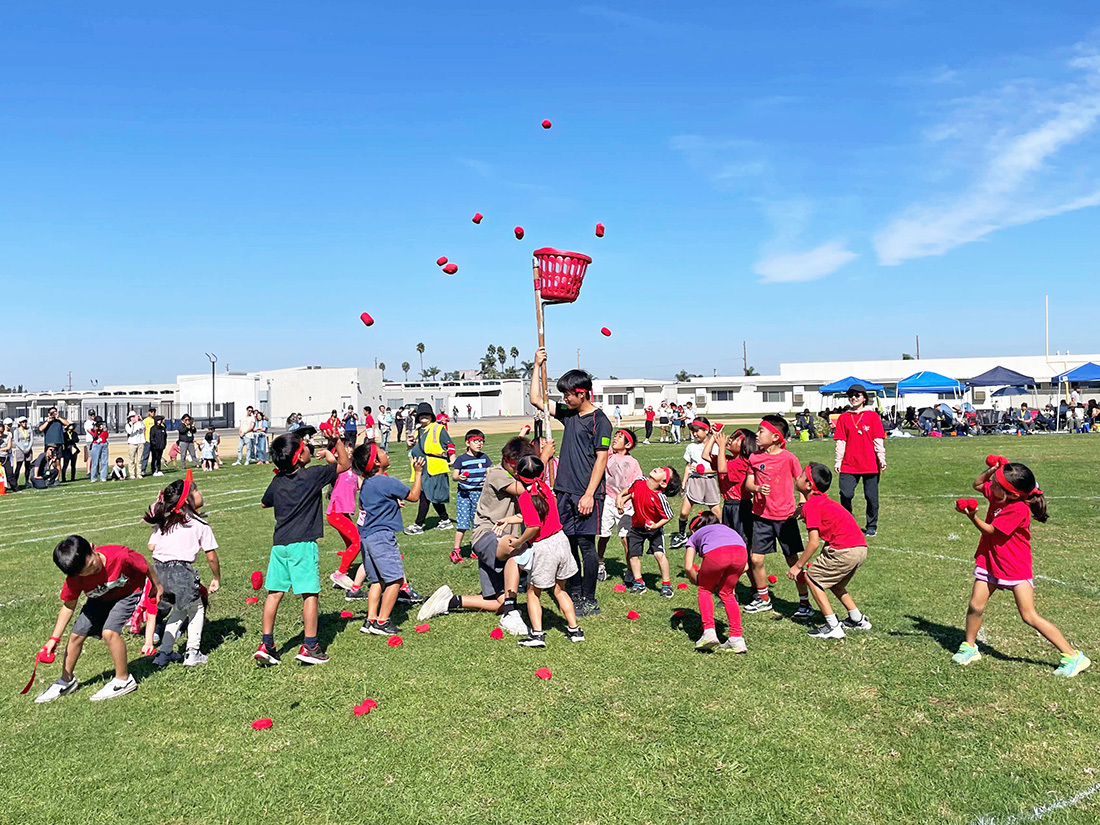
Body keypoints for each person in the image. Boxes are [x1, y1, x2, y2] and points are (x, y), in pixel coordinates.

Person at [951, 459, 1090, 677]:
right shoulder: (999, 494)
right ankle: (970, 647)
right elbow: (977, 484)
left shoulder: (1017, 509)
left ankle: (1073, 656)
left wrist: (972, 515)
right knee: (975, 606)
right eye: (994, 482)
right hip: (990, 560)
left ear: (1013, 494)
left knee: (1029, 615)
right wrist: (993, 470)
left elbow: (990, 531)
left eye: (996, 484)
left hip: (1014, 567)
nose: (991, 486)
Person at [416, 436, 540, 635]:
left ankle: (450, 601)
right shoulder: (497, 474)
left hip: (501, 540)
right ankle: (511, 612)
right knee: (516, 547)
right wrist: (542, 464)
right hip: (487, 536)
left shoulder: (512, 473)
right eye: (518, 466)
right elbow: (522, 489)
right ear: (507, 460)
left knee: (498, 602)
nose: (520, 471)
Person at [254, 429, 350, 667]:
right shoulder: (313, 475)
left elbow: (265, 503)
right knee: (309, 594)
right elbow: (345, 464)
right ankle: (310, 646)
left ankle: (266, 644)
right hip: (303, 544)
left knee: (274, 593)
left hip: (280, 545)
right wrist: (337, 441)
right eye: (304, 446)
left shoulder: (278, 480)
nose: (309, 447)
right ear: (299, 457)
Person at [530, 348, 612, 617]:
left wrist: (589, 495)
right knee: (568, 543)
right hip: (564, 490)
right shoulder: (569, 413)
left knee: (586, 545)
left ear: (582, 393)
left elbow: (601, 460)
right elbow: (536, 399)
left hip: (585, 493)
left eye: (568, 394)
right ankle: (573, 591)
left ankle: (589, 597)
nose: (564, 398)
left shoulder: (600, 422)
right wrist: (536, 365)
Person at [34, 535, 163, 703]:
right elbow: (68, 606)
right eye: (84, 572)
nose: (90, 572)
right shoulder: (75, 577)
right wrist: (54, 639)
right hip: (98, 598)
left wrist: (157, 586)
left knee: (109, 632)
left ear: (92, 547)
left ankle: (123, 680)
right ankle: (66, 681)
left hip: (127, 594)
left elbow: (145, 566)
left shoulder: (121, 556)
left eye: (91, 565)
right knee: (76, 636)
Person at [493, 455, 584, 647]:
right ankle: (575, 630)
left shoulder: (526, 496)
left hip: (544, 547)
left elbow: (533, 525)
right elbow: (537, 515)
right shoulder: (545, 489)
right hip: (561, 541)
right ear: (541, 473)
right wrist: (509, 519)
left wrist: (519, 541)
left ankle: (537, 635)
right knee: (560, 590)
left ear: (517, 474)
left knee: (533, 592)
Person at [143, 473, 221, 667]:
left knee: (179, 610)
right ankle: (193, 652)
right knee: (197, 609)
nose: (200, 492)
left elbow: (151, 546)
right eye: (196, 490)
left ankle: (165, 652)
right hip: (180, 571)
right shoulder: (199, 524)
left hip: (159, 572)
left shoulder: (164, 522)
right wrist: (216, 578)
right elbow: (211, 556)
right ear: (189, 498)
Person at [788, 463, 872, 640]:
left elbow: (813, 543)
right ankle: (857, 619)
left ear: (809, 485)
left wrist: (798, 566)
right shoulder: (821, 501)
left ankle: (832, 626)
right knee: (836, 583)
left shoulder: (812, 506)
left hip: (843, 550)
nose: (798, 477)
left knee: (812, 577)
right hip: (860, 548)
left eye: (802, 475)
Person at [742, 415, 812, 618]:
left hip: (785, 517)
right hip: (761, 516)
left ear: (775, 437)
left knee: (792, 559)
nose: (756, 434)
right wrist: (756, 488)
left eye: (761, 431)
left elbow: (801, 482)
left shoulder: (789, 458)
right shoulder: (754, 457)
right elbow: (748, 483)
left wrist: (802, 503)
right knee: (755, 559)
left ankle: (804, 601)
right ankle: (763, 599)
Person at [353, 443, 424, 636]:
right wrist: (417, 473)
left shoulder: (367, 483)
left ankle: (370, 619)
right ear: (376, 462)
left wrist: (392, 502)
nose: (387, 454)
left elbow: (368, 507)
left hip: (366, 536)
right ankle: (382, 622)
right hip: (382, 536)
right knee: (395, 579)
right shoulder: (386, 481)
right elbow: (415, 496)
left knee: (377, 581)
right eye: (382, 452)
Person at [683, 511, 748, 653]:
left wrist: (697, 581)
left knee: (705, 590)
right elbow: (746, 566)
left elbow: (688, 567)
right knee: (727, 593)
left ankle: (709, 632)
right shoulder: (727, 529)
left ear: (693, 530)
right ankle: (737, 639)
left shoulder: (694, 536)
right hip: (741, 553)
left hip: (717, 554)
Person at [616, 465, 681, 596]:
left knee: (659, 554)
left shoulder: (660, 497)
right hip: (636, 527)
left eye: (663, 472)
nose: (659, 468)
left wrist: (655, 526)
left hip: (653, 530)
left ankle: (666, 584)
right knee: (633, 555)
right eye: (661, 467)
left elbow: (668, 516)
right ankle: (639, 583)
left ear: (663, 483)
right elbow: (630, 491)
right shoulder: (639, 481)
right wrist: (620, 497)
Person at [833, 385, 886, 538]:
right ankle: (848, 520)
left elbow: (878, 439)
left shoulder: (872, 416)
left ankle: (871, 525)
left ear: (864, 397)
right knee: (846, 494)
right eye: (851, 395)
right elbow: (840, 441)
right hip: (849, 464)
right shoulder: (844, 417)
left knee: (871, 496)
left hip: (870, 464)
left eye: (857, 395)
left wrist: (881, 458)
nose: (854, 398)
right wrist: (838, 461)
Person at [597, 429, 642, 582]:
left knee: (626, 538)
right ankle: (600, 563)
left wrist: (624, 498)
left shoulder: (633, 463)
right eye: (615, 435)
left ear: (628, 444)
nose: (615, 438)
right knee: (604, 535)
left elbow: (637, 485)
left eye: (620, 437)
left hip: (626, 504)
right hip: (608, 500)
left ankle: (630, 569)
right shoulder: (609, 454)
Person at [404, 402, 454, 534]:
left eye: (427, 414)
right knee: (431, 496)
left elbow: (450, 445)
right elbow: (412, 448)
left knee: (425, 496)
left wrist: (452, 458)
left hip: (435, 467)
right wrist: (409, 445)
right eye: (421, 414)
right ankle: (445, 520)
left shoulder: (438, 428)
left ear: (431, 416)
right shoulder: (417, 431)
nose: (424, 417)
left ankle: (418, 524)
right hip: (422, 469)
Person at [671, 417, 722, 548]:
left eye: (697, 431)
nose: (694, 434)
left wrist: (705, 471)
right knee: (683, 512)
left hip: (709, 481)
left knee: (717, 513)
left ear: (706, 430)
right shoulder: (691, 447)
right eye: (692, 431)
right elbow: (688, 466)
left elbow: (718, 468)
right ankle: (682, 535)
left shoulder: (715, 446)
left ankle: (720, 535)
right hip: (694, 482)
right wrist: (683, 484)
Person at [451, 429, 492, 563]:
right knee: (462, 523)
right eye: (476, 441)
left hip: (479, 493)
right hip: (464, 494)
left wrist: (487, 478)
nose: (479, 444)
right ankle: (456, 550)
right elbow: (454, 476)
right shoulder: (461, 459)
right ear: (467, 443)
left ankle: (475, 549)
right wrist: (459, 477)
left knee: (477, 522)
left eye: (481, 441)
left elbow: (489, 473)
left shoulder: (484, 458)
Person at [713, 427, 756, 546]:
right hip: (728, 505)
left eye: (737, 438)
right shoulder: (730, 459)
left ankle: (746, 563)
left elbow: (722, 469)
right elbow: (705, 456)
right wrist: (714, 437)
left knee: (742, 538)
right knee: (729, 538)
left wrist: (721, 446)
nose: (731, 440)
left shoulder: (742, 463)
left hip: (740, 505)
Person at [326, 463, 362, 591]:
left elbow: (363, 484)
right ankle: (340, 574)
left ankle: (340, 579)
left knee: (351, 544)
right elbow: (332, 458)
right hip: (336, 513)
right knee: (357, 542)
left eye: (351, 446)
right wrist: (326, 451)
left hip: (343, 513)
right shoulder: (340, 468)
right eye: (346, 447)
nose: (350, 449)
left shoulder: (353, 470)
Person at [12, 416, 34, 489]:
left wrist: (28, 448)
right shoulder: (17, 431)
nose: (24, 423)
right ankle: (15, 482)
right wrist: (22, 449)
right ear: (20, 423)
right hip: (20, 450)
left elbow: (31, 440)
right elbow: (16, 441)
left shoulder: (29, 430)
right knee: (19, 466)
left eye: (25, 422)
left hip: (28, 449)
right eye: (23, 422)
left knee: (27, 466)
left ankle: (27, 481)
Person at [124, 411, 144, 479]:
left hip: (140, 442)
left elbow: (144, 427)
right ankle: (132, 474)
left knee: (139, 459)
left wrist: (141, 420)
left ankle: (139, 473)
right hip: (132, 443)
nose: (133, 418)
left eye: (134, 416)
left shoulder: (139, 423)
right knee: (131, 459)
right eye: (131, 417)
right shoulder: (128, 425)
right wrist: (133, 424)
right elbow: (130, 432)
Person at [89, 418, 110, 482]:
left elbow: (106, 435)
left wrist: (103, 429)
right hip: (96, 444)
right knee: (95, 462)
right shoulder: (93, 427)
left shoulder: (104, 427)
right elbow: (94, 435)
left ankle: (103, 477)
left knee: (104, 461)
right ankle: (93, 477)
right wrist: (95, 429)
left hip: (104, 443)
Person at [140, 408, 156, 476]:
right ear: (149, 412)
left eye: (154, 412)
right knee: (145, 456)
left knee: (154, 456)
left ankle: (154, 469)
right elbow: (143, 430)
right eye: (152, 412)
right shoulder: (146, 421)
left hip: (154, 441)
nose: (153, 413)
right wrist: (144, 439)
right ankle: (143, 470)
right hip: (147, 441)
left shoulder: (155, 420)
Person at [0, 419, 14, 491]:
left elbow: (9, 447)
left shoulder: (8, 436)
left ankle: (14, 487)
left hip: (5, 457)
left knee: (9, 473)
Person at [83, 410, 97, 477]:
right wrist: (95, 435)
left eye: (93, 415)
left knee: (96, 456)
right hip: (90, 441)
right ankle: (88, 471)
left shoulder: (96, 422)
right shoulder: (87, 423)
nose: (93, 416)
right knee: (90, 456)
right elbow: (90, 431)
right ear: (89, 415)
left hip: (96, 441)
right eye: (91, 415)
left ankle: (96, 470)